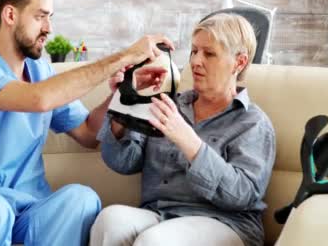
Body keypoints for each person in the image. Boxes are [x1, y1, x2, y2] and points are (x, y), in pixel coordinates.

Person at [0, 0, 174, 246]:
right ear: (10, 15)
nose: (48, 27)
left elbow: (89, 133)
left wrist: (121, 93)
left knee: (80, 199)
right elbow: (38, 99)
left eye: (50, 17)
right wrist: (125, 55)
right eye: (40, 16)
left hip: (29, 207)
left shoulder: (41, 72)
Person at [90, 13, 276, 246]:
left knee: (154, 241)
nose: (196, 61)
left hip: (226, 223)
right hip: (160, 215)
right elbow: (122, 162)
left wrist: (189, 141)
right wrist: (125, 99)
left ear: (239, 62)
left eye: (209, 53)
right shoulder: (170, 103)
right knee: (110, 220)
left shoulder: (253, 123)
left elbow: (243, 194)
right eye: (194, 51)